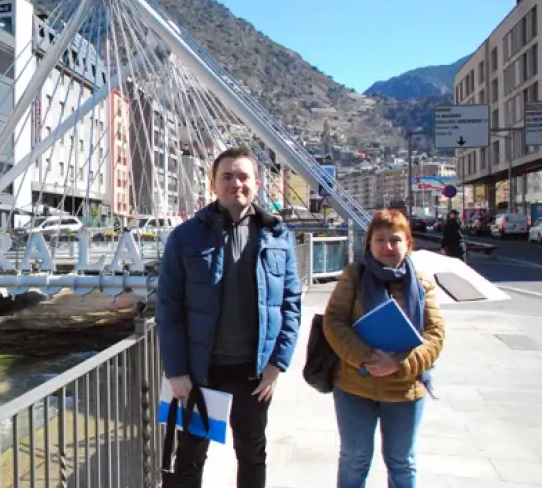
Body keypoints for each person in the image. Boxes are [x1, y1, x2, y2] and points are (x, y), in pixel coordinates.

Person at [156, 146, 302, 488]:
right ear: (213, 184)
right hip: (200, 371)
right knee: (189, 457)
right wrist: (176, 370)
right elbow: (169, 307)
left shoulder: (278, 237)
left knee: (252, 453)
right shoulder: (185, 237)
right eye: (227, 176)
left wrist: (276, 365)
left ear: (257, 183)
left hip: (255, 373)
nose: (236, 183)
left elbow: (291, 304)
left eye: (243, 176)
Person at [323, 210, 446, 488]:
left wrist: (399, 364)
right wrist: (366, 358)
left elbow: (435, 335)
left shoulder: (423, 284)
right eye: (379, 240)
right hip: (355, 385)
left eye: (395, 240)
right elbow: (334, 322)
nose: (387, 247)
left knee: (402, 462)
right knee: (354, 459)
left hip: (405, 389)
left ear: (408, 244)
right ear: (369, 244)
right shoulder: (354, 276)